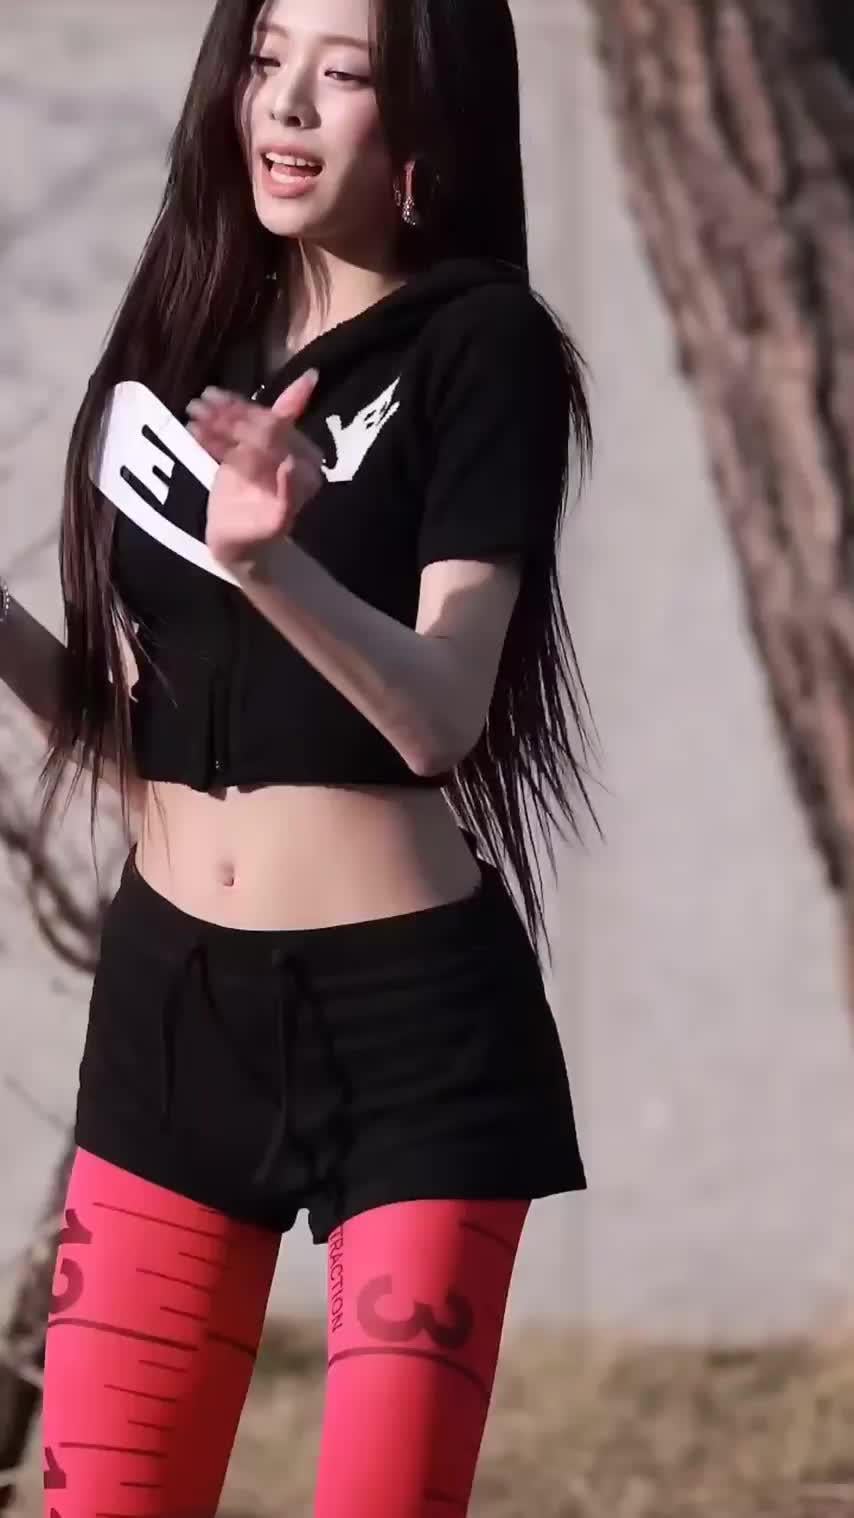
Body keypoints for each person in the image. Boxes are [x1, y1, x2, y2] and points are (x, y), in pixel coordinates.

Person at [0, 0, 596, 1512]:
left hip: (410, 1033)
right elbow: (149, 746)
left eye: (343, 74)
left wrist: (274, 564)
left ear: (427, 117)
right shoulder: (182, 347)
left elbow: (442, 711)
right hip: (169, 1014)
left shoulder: (482, 347)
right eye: (267, 61)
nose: (287, 105)